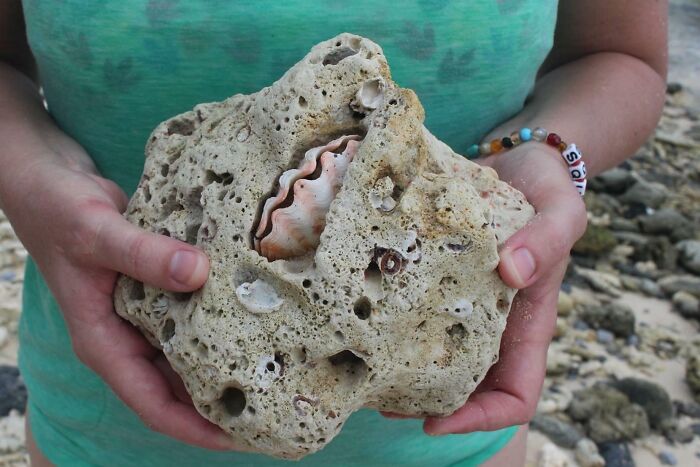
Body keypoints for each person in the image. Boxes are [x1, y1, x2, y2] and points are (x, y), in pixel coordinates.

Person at [0, 1, 667, 465]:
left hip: (442, 411)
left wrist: (551, 152)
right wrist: (30, 182)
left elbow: (620, 56)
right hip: (105, 418)